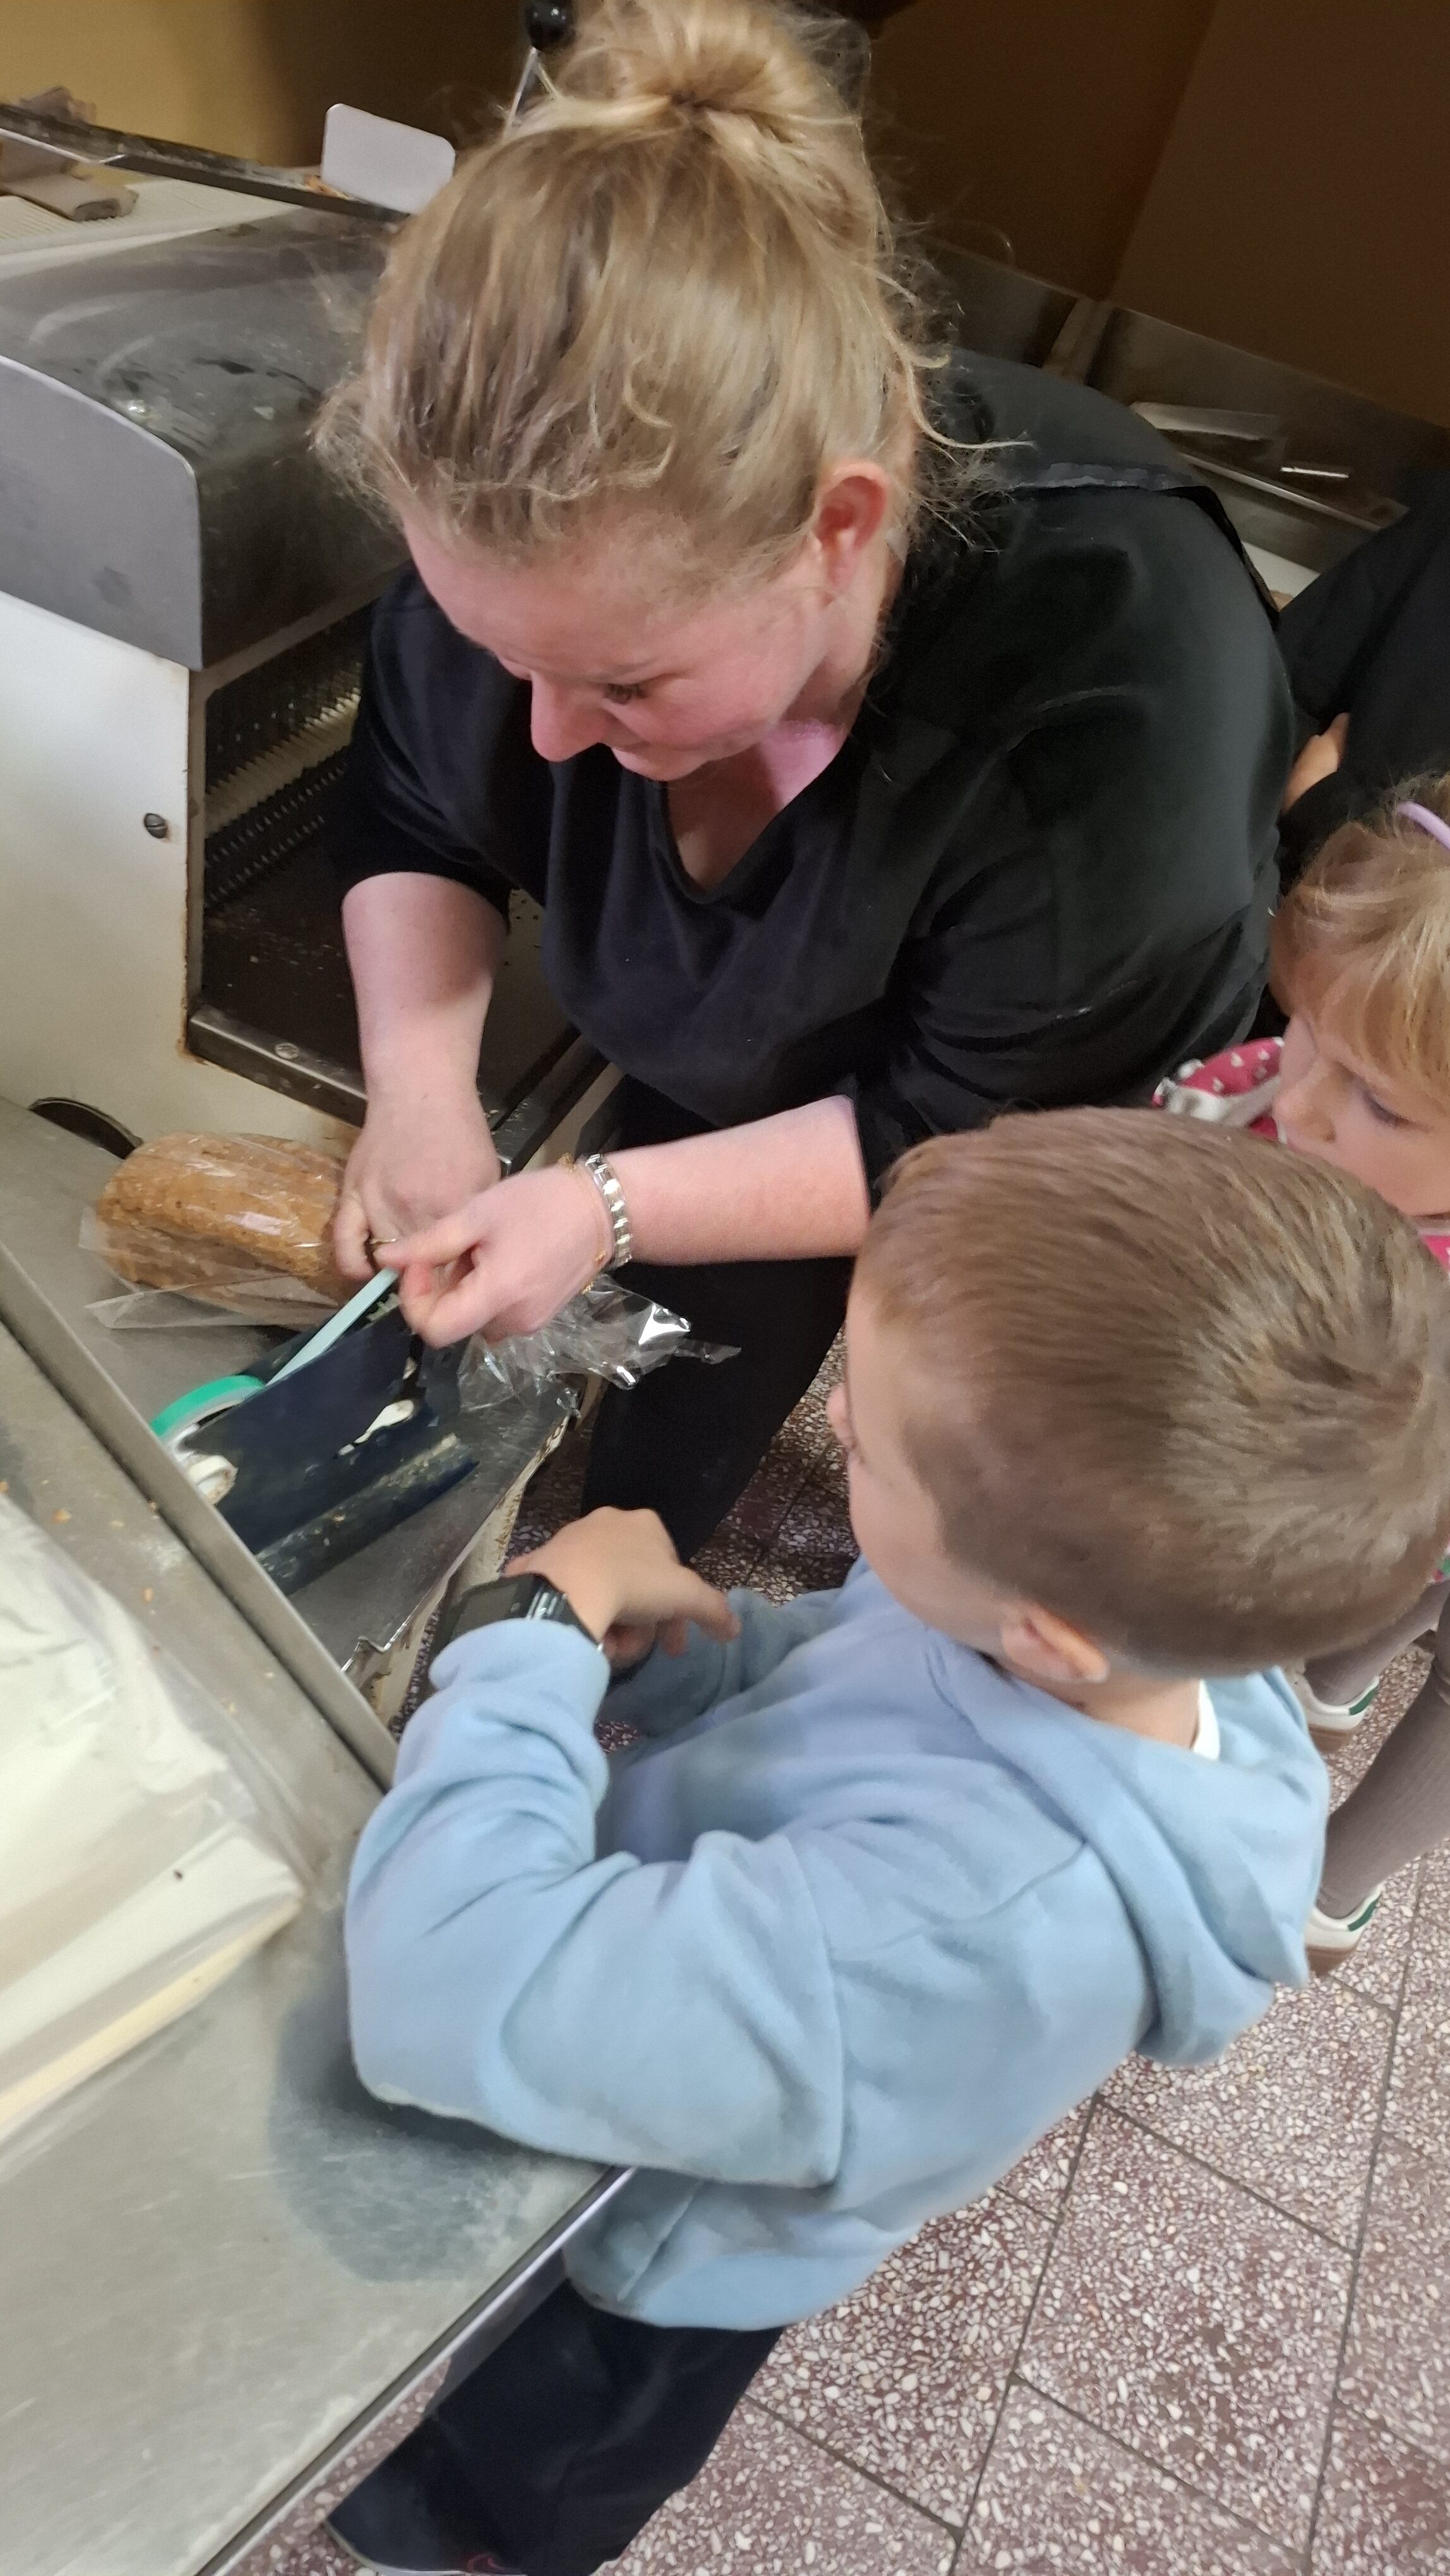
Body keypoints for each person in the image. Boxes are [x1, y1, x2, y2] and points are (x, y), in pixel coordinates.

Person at [327, 1108, 1450, 2576]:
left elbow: (443, 1986)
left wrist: (527, 1634)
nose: (838, 1419)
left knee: (499, 2489)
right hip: (671, 2027)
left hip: (638, 2263)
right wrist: (699, 1654)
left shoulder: (969, 1930)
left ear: (1042, 1634)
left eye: (868, 1440)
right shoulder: (1127, 1640)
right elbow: (864, 1661)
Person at [316, 0, 1291, 1561]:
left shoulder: (1109, 723)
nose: (550, 738)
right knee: (679, 1366)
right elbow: (416, 805)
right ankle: (622, 1556)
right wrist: (420, 1092)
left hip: (1017, 1104)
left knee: (960, 1470)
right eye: (508, 659)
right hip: (810, 1036)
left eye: (627, 682)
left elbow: (955, 1141)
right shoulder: (523, 552)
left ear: (838, 531)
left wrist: (605, 1202)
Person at [1157, 778, 1450, 1969]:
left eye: (1377, 1100)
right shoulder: (1286, 1097)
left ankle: (1325, 1891)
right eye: (1308, 1029)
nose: (1305, 1102)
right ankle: (1333, 1681)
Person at [1276, 474, 1450, 882]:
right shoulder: (1438, 533)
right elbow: (1279, 691)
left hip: (1355, 892)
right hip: (1279, 880)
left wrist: (1322, 809)